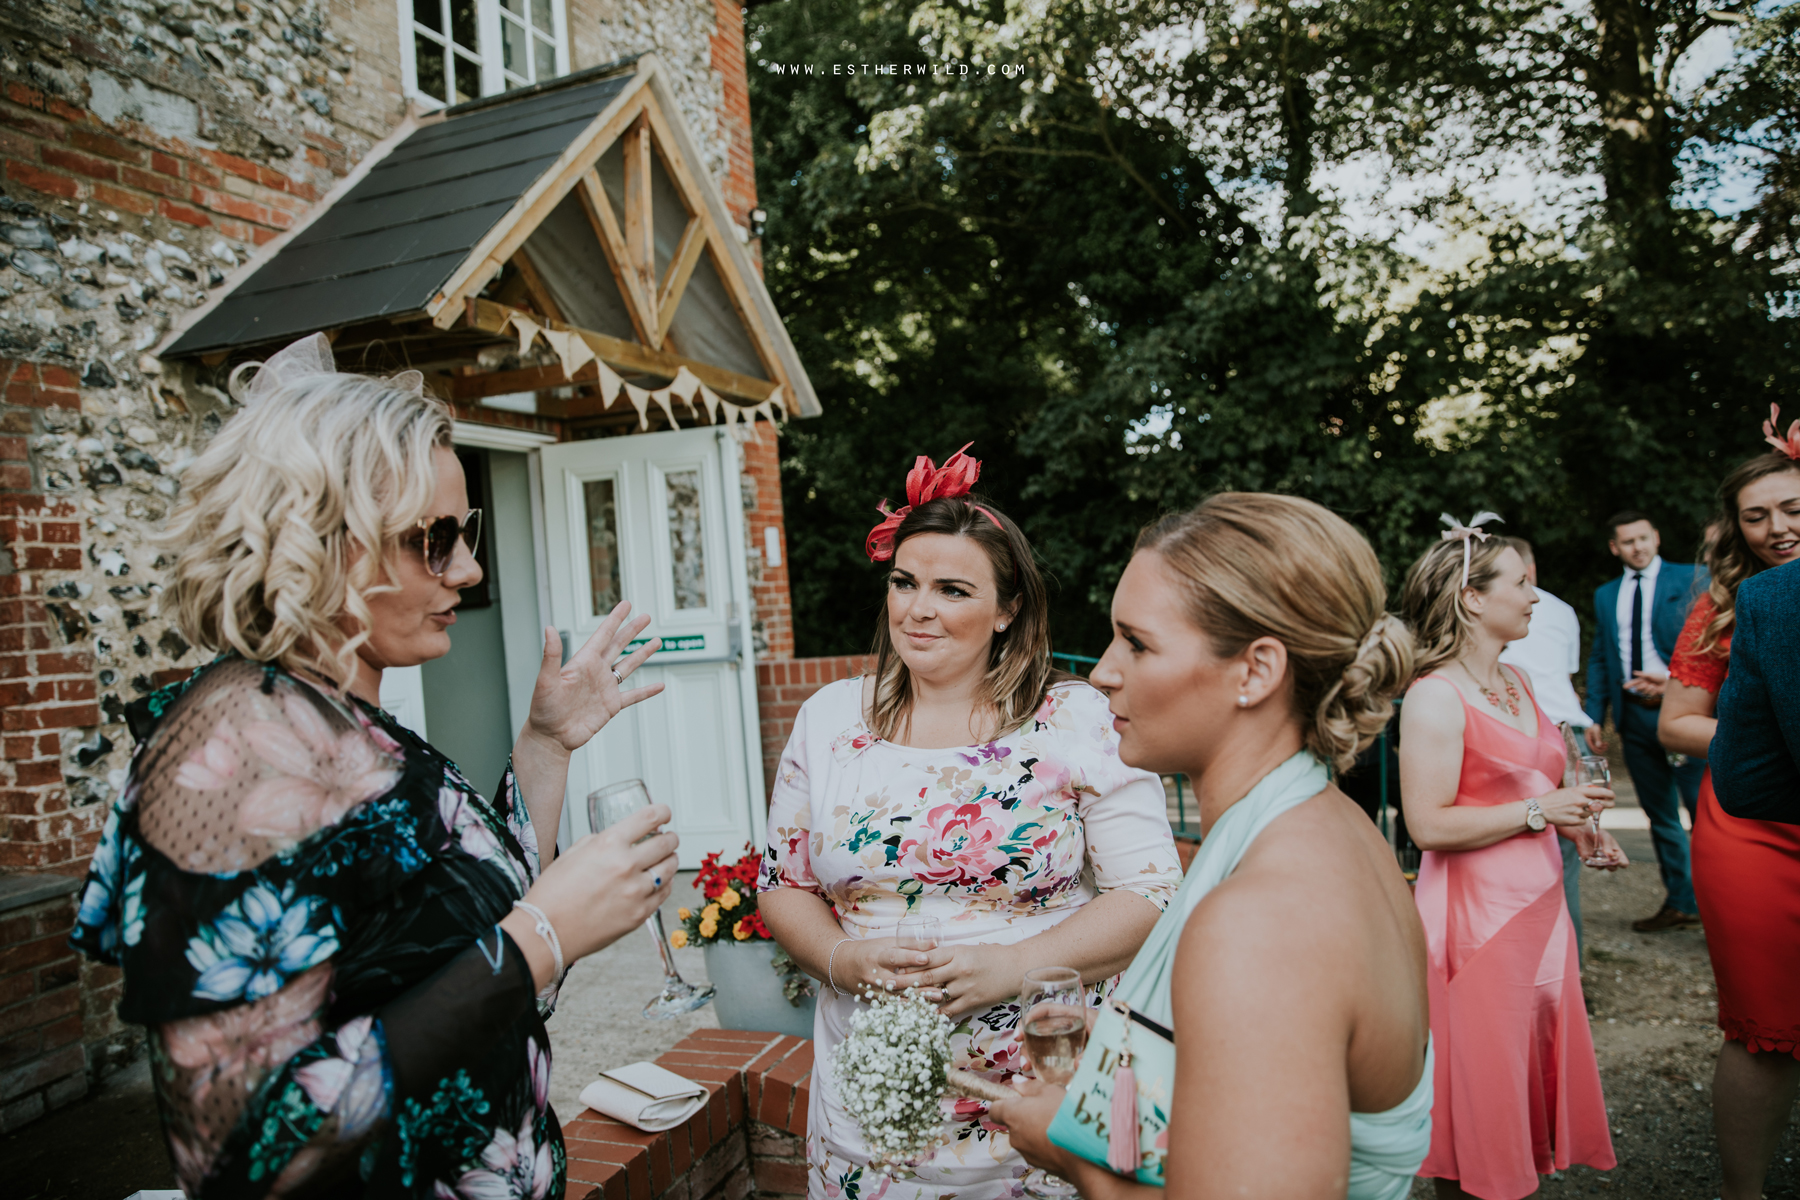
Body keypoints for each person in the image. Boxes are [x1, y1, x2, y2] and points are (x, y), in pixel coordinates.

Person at [69, 335, 676, 1199]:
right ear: (320, 539)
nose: (466, 569)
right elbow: (245, 1155)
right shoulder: (226, 759)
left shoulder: (349, 721)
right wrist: (540, 940)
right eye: (433, 539)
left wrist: (545, 744)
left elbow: (470, 940)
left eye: (464, 533)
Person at [758, 445, 1182, 1199]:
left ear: (1007, 608)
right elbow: (781, 884)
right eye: (904, 583)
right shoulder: (828, 719)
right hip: (873, 1101)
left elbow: (1150, 894)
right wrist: (840, 959)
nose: (917, 609)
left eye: (953, 589)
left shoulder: (1075, 717)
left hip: (1039, 1098)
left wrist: (1009, 967)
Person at [991, 492, 1433, 1200]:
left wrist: (1069, 1152)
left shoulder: (1261, 921)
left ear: (1256, 671)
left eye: (1137, 642)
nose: (1104, 671)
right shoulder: (1337, 826)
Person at [1399, 515, 1624, 1200]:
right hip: (1475, 921)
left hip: (1541, 907)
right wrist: (1538, 813)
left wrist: (1576, 824)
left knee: (1524, 1076)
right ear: (1472, 597)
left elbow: (1541, 786)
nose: (1535, 597)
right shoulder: (1434, 696)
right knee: (1480, 1092)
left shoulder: (1522, 682)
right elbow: (1428, 823)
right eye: (1522, 583)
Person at [1656, 412, 1800, 1200]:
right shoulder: (1722, 608)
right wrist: (1761, 742)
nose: (1776, 528)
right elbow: (1678, 720)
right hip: (1752, 829)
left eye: (1792, 510)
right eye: (1757, 516)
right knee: (1764, 1028)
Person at [1582, 509, 1708, 931]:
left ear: (1656, 537)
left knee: (1705, 813)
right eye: (1628, 542)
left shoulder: (1695, 577)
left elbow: (1714, 644)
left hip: (1688, 712)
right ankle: (1681, 901)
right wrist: (1594, 714)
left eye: (1643, 538)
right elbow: (1601, 656)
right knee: (1661, 816)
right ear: (1615, 547)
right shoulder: (1606, 594)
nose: (1638, 547)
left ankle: (1721, 907)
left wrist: (1673, 683)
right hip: (1634, 718)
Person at [1496, 535, 1593, 957]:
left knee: (1557, 845)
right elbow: (1566, 674)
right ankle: (1568, 961)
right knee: (1562, 856)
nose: (1531, 597)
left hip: (1535, 725)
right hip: (1562, 723)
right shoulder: (1563, 610)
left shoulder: (1517, 617)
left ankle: (1556, 959)